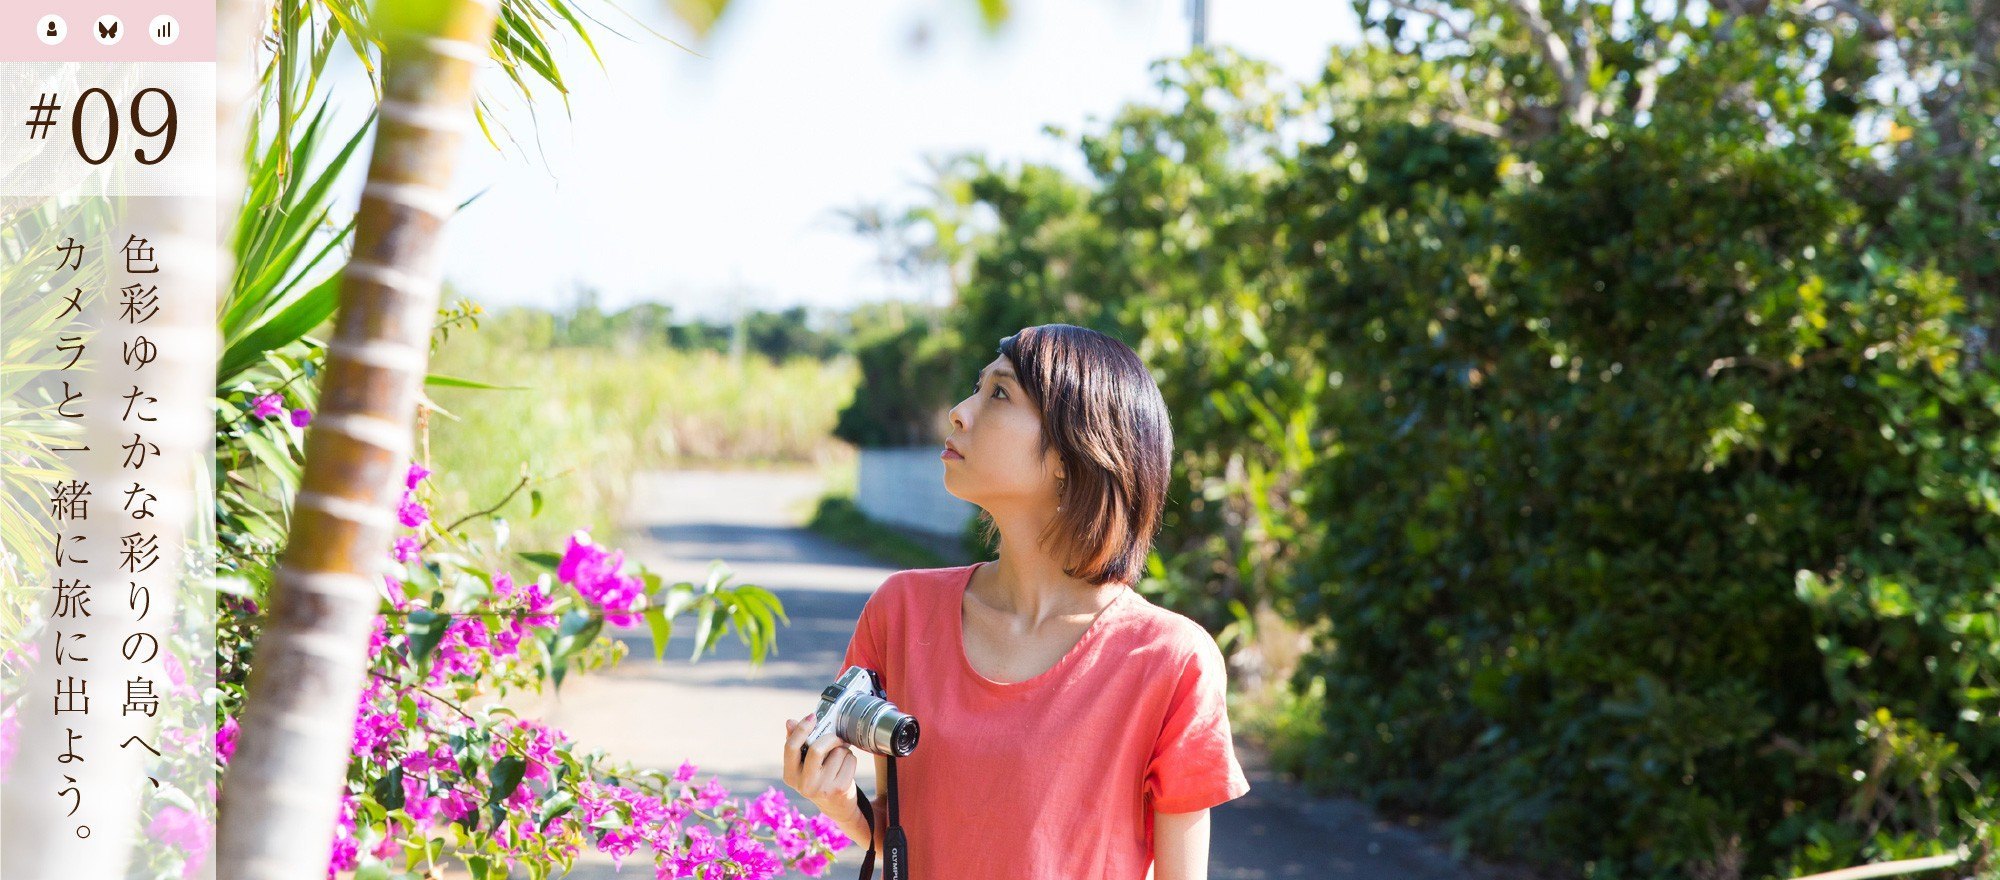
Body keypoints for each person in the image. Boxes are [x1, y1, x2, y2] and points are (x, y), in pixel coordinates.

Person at [780, 323, 1250, 879]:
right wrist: (838, 801)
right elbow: (908, 833)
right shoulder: (901, 611)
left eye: (998, 394)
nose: (959, 411)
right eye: (977, 389)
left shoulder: (1169, 659)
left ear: (1071, 455)